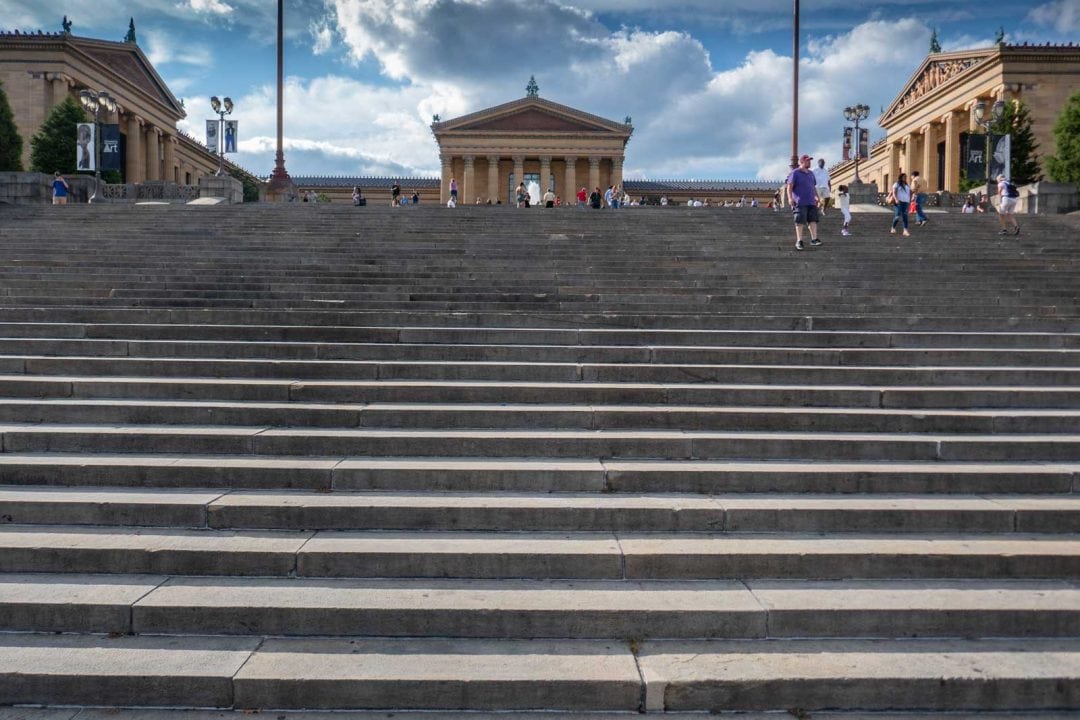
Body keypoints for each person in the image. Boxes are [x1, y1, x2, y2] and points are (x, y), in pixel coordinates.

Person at [786, 154, 821, 251]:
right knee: (799, 221)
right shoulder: (795, 173)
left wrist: (817, 197)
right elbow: (789, 187)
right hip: (800, 201)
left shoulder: (811, 173)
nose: (809, 162)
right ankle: (799, 240)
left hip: (811, 201)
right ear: (801, 162)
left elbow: (813, 187)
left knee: (813, 220)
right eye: (807, 161)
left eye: (809, 161)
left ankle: (814, 239)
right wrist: (790, 198)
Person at [888, 172, 912, 236]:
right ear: (901, 177)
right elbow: (894, 192)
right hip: (899, 202)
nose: (905, 178)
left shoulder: (907, 185)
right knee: (898, 215)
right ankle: (893, 227)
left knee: (905, 216)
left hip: (906, 202)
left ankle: (905, 230)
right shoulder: (897, 184)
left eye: (906, 177)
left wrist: (909, 201)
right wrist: (896, 199)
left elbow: (909, 193)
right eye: (904, 177)